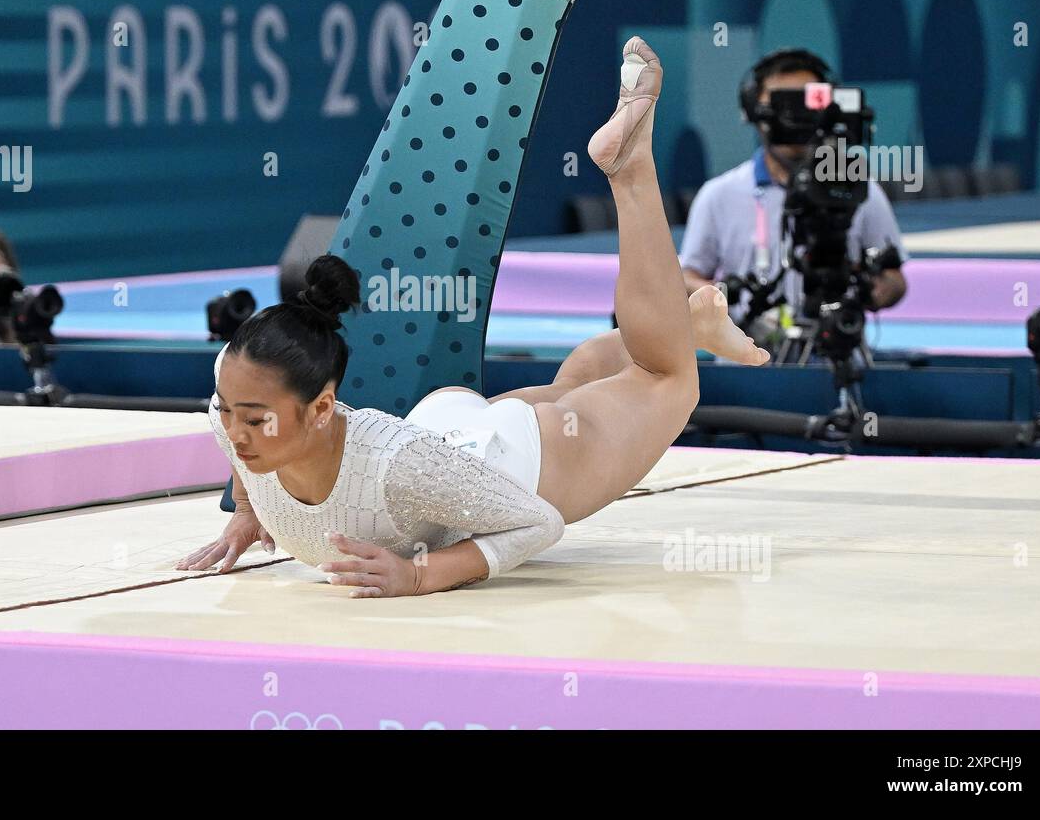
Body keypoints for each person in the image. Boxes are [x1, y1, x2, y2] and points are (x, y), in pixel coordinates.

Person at [177, 36, 768, 597]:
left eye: (253, 420)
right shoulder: (236, 407)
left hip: (514, 469)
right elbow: (229, 430)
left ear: (324, 407)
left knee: (664, 377)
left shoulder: (394, 469)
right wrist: (247, 516)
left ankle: (630, 170)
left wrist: (420, 576)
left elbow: (537, 524)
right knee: (574, 387)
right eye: (231, 412)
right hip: (450, 444)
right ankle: (690, 323)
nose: (234, 431)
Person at [679, 48, 909, 352]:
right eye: (783, 105)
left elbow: (895, 279)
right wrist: (723, 297)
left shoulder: (856, 187)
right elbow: (686, 279)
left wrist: (870, 293)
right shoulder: (719, 195)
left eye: (807, 103)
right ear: (755, 112)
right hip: (748, 358)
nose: (796, 118)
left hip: (836, 356)